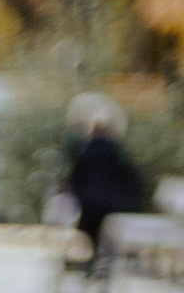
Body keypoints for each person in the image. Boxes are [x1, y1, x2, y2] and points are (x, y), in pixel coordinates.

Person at [64, 101, 149, 276]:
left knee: (87, 231)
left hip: (89, 203)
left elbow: (75, 178)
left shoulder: (84, 152)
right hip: (110, 203)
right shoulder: (116, 152)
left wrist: (79, 196)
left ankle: (81, 264)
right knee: (106, 234)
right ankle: (103, 265)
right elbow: (131, 178)